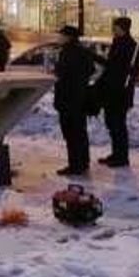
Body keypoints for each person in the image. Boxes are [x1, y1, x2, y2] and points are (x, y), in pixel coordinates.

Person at [54, 25, 96, 177]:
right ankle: (83, 162)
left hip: (68, 98)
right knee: (80, 132)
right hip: (80, 97)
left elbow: (62, 73)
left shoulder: (68, 53)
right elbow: (91, 69)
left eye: (61, 35)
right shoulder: (83, 51)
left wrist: (59, 73)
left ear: (68, 37)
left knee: (71, 134)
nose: (59, 38)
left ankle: (75, 165)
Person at [98, 16, 138, 169]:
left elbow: (120, 69)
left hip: (120, 92)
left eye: (115, 27)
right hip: (111, 91)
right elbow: (111, 66)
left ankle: (122, 157)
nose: (113, 29)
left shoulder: (130, 46)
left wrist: (129, 73)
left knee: (118, 125)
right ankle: (116, 154)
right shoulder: (117, 43)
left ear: (123, 28)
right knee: (111, 123)